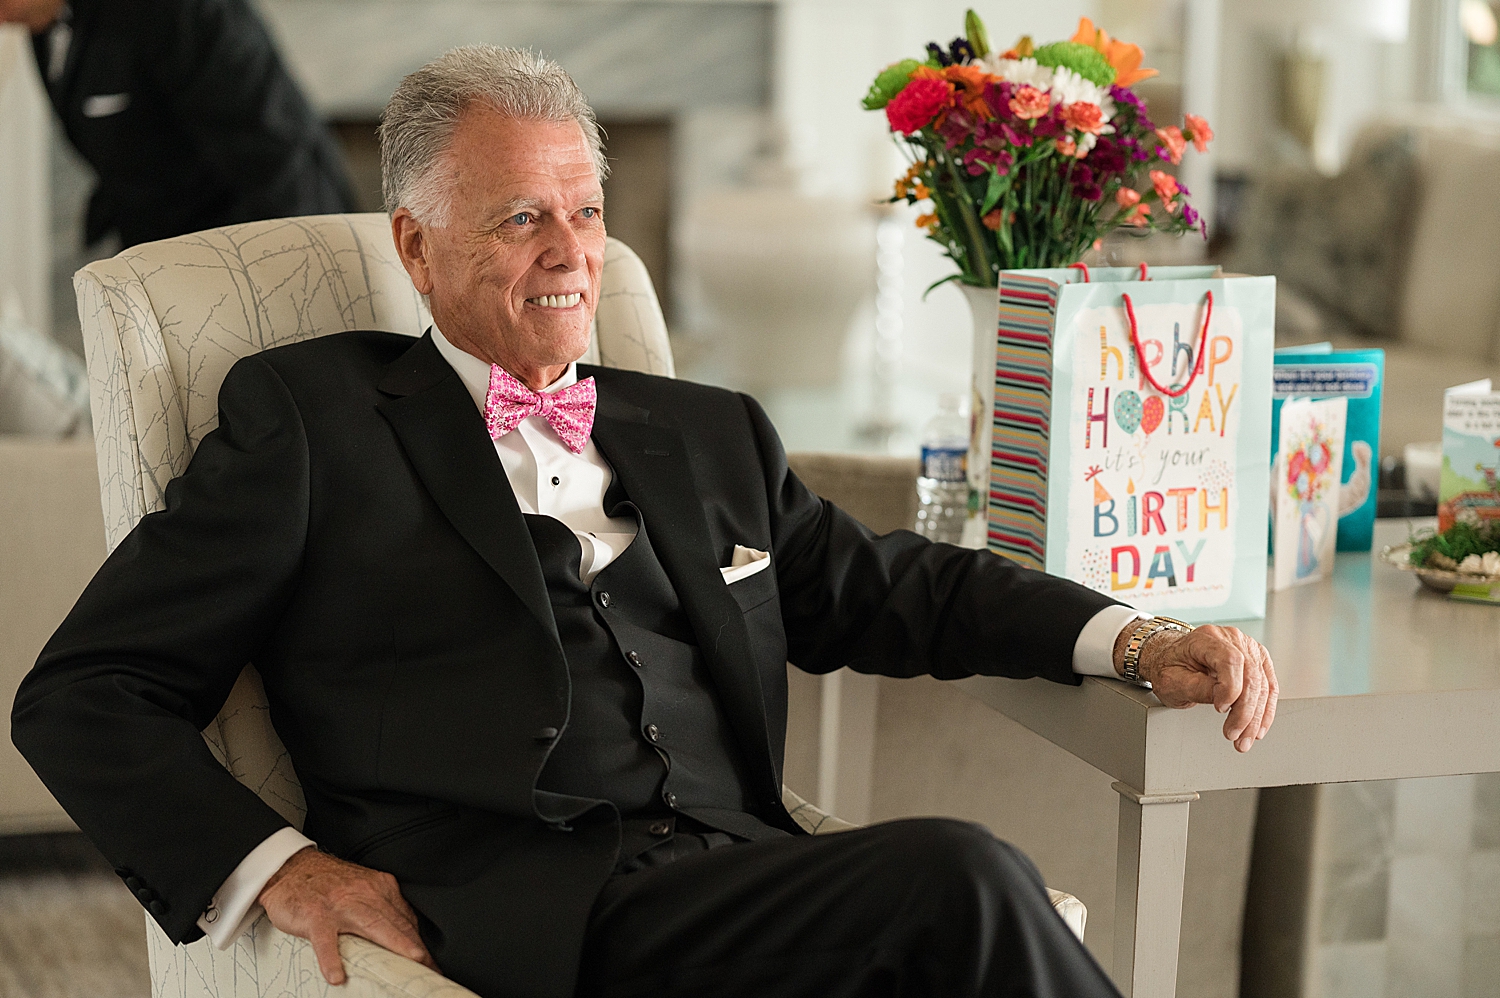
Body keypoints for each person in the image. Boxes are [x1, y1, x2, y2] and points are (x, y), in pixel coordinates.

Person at [11, 46, 1278, 998]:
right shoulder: (314, 420)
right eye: (520, 218)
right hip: (531, 910)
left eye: (586, 211)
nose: (571, 252)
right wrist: (280, 866)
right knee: (966, 876)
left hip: (733, 879)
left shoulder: (707, 427)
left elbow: (898, 587)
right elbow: (85, 690)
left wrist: (1130, 634)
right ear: (418, 244)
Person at [0, 0, 354, 248]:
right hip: (159, 246)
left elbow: (274, 155)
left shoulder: (176, 10)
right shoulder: (41, 24)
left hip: (263, 231)